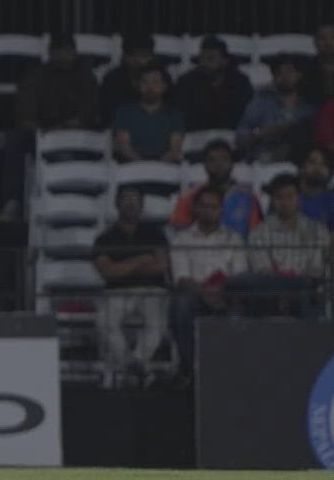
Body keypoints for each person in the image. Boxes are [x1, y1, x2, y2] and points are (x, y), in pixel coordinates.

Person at [4, 32, 101, 219]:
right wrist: (43, 131)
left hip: (77, 136)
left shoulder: (86, 77)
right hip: (42, 134)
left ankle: (90, 200)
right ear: (50, 53)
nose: (64, 55)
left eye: (68, 51)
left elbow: (92, 111)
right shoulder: (36, 76)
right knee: (14, 138)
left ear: (75, 52)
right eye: (59, 51)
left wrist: (72, 126)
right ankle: (13, 201)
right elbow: (26, 113)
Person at [167, 185, 248, 378]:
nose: (208, 211)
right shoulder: (181, 239)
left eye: (214, 207)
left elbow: (239, 276)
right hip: (195, 295)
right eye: (204, 206)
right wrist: (205, 292)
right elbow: (181, 278)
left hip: (226, 295)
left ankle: (230, 374)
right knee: (181, 305)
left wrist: (221, 291)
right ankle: (190, 371)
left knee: (239, 311)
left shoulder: (234, 238)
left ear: (221, 210)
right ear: (195, 209)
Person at [92, 185, 170, 380]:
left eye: (136, 199)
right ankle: (132, 365)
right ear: (116, 204)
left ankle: (134, 363)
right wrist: (141, 260)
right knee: (104, 322)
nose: (131, 203)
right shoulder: (105, 238)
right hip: (117, 292)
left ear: (142, 204)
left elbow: (160, 266)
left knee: (157, 325)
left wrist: (122, 267)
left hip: (152, 290)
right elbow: (108, 273)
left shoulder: (156, 233)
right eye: (126, 199)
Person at [239, 174, 331, 318]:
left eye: (290, 196)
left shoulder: (317, 231)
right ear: (272, 200)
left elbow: (315, 270)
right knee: (262, 289)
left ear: (298, 198)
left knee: (308, 292)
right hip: (270, 294)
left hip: (306, 291)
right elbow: (263, 270)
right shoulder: (258, 233)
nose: (285, 202)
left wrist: (293, 285)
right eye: (279, 197)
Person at [167, 139, 260, 233]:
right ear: (205, 165)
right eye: (212, 160)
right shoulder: (189, 196)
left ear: (232, 164)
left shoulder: (248, 198)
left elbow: (255, 232)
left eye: (224, 159)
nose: (218, 164)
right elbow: (180, 230)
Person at [235, 55, 313, 161]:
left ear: (299, 74)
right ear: (273, 76)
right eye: (279, 72)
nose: (285, 76)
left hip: (298, 159)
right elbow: (241, 136)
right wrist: (264, 131)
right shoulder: (259, 103)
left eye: (290, 71)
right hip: (264, 158)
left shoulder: (307, 108)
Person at [171, 36, 254, 131]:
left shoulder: (240, 83)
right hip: (194, 136)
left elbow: (246, 115)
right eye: (202, 58)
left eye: (211, 58)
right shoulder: (186, 83)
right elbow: (180, 115)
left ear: (225, 60)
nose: (204, 63)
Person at [111, 64, 185, 163]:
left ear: (164, 86)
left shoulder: (175, 115)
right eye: (145, 82)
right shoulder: (124, 112)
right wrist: (144, 167)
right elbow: (124, 148)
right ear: (138, 85)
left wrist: (156, 168)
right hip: (130, 169)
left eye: (155, 82)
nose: (150, 87)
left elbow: (174, 150)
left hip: (165, 170)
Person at [96, 32, 164, 126]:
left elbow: (169, 112)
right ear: (125, 56)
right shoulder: (112, 79)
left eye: (144, 55)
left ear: (151, 56)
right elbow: (108, 114)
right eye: (133, 55)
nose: (138, 60)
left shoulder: (162, 77)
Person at [295, 147, 334, 260]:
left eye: (324, 164)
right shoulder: (286, 196)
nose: (318, 168)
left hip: (322, 264)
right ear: (302, 166)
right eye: (312, 162)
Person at [299, 21, 334, 108]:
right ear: (315, 42)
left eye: (333, 37)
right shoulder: (304, 71)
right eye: (322, 38)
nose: (328, 43)